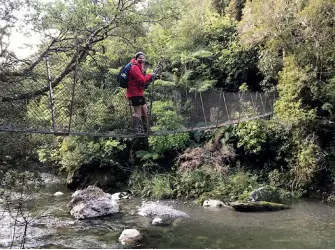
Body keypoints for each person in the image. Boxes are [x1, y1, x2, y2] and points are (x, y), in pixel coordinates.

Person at [126, 52, 156, 134]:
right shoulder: (134, 68)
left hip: (139, 93)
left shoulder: (140, 67)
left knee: (144, 110)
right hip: (134, 93)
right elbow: (142, 80)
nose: (142, 59)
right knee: (137, 112)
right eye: (140, 58)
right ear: (136, 59)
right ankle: (134, 130)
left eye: (143, 58)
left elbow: (143, 81)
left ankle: (146, 129)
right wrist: (150, 75)